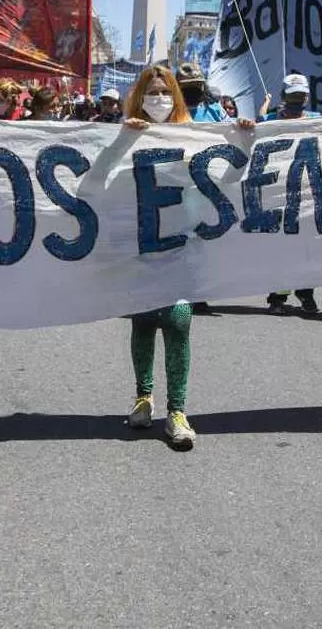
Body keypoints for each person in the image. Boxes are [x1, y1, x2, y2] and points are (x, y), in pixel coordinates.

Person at [120, 64, 254, 449]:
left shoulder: (196, 134)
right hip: (142, 247)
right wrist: (121, 142)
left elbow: (226, 180)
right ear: (140, 96)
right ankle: (143, 399)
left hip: (184, 245)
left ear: (176, 96)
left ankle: (177, 411)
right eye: (152, 91)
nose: (158, 99)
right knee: (144, 322)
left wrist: (243, 142)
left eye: (165, 92)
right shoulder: (126, 132)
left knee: (178, 320)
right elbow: (95, 182)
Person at [260, 73, 322, 315]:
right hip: (277, 191)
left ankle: (306, 294)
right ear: (283, 96)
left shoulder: (318, 120)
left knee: (308, 248)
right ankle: (277, 297)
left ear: (307, 97)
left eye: (301, 95)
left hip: (309, 192)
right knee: (282, 247)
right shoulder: (270, 121)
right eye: (292, 95)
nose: (297, 100)